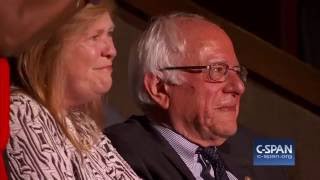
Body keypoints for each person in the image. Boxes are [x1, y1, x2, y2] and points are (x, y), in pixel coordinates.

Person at [105, 13, 288, 180]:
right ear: (159, 88)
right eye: (217, 70)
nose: (239, 86)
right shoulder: (116, 155)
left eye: (237, 72)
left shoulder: (256, 147)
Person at [6, 1, 140, 179]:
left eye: (109, 34)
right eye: (95, 36)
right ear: (53, 48)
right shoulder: (23, 112)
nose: (112, 50)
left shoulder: (83, 124)